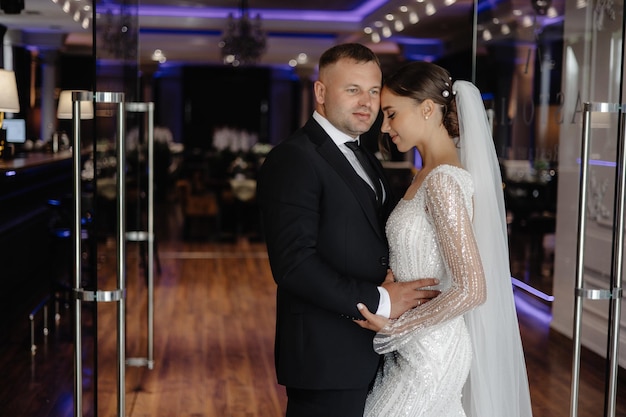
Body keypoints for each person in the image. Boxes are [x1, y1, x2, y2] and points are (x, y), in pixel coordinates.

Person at [256, 44, 440, 417]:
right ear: (321, 93)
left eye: (374, 91)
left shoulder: (367, 157)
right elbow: (294, 264)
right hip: (325, 359)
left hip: (378, 351)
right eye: (352, 89)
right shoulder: (293, 158)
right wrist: (382, 300)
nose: (367, 102)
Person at [355, 61, 534, 417]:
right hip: (417, 347)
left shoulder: (442, 182)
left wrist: (396, 325)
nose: (386, 127)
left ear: (426, 108)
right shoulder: (428, 175)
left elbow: (472, 288)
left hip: (432, 354)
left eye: (391, 114)